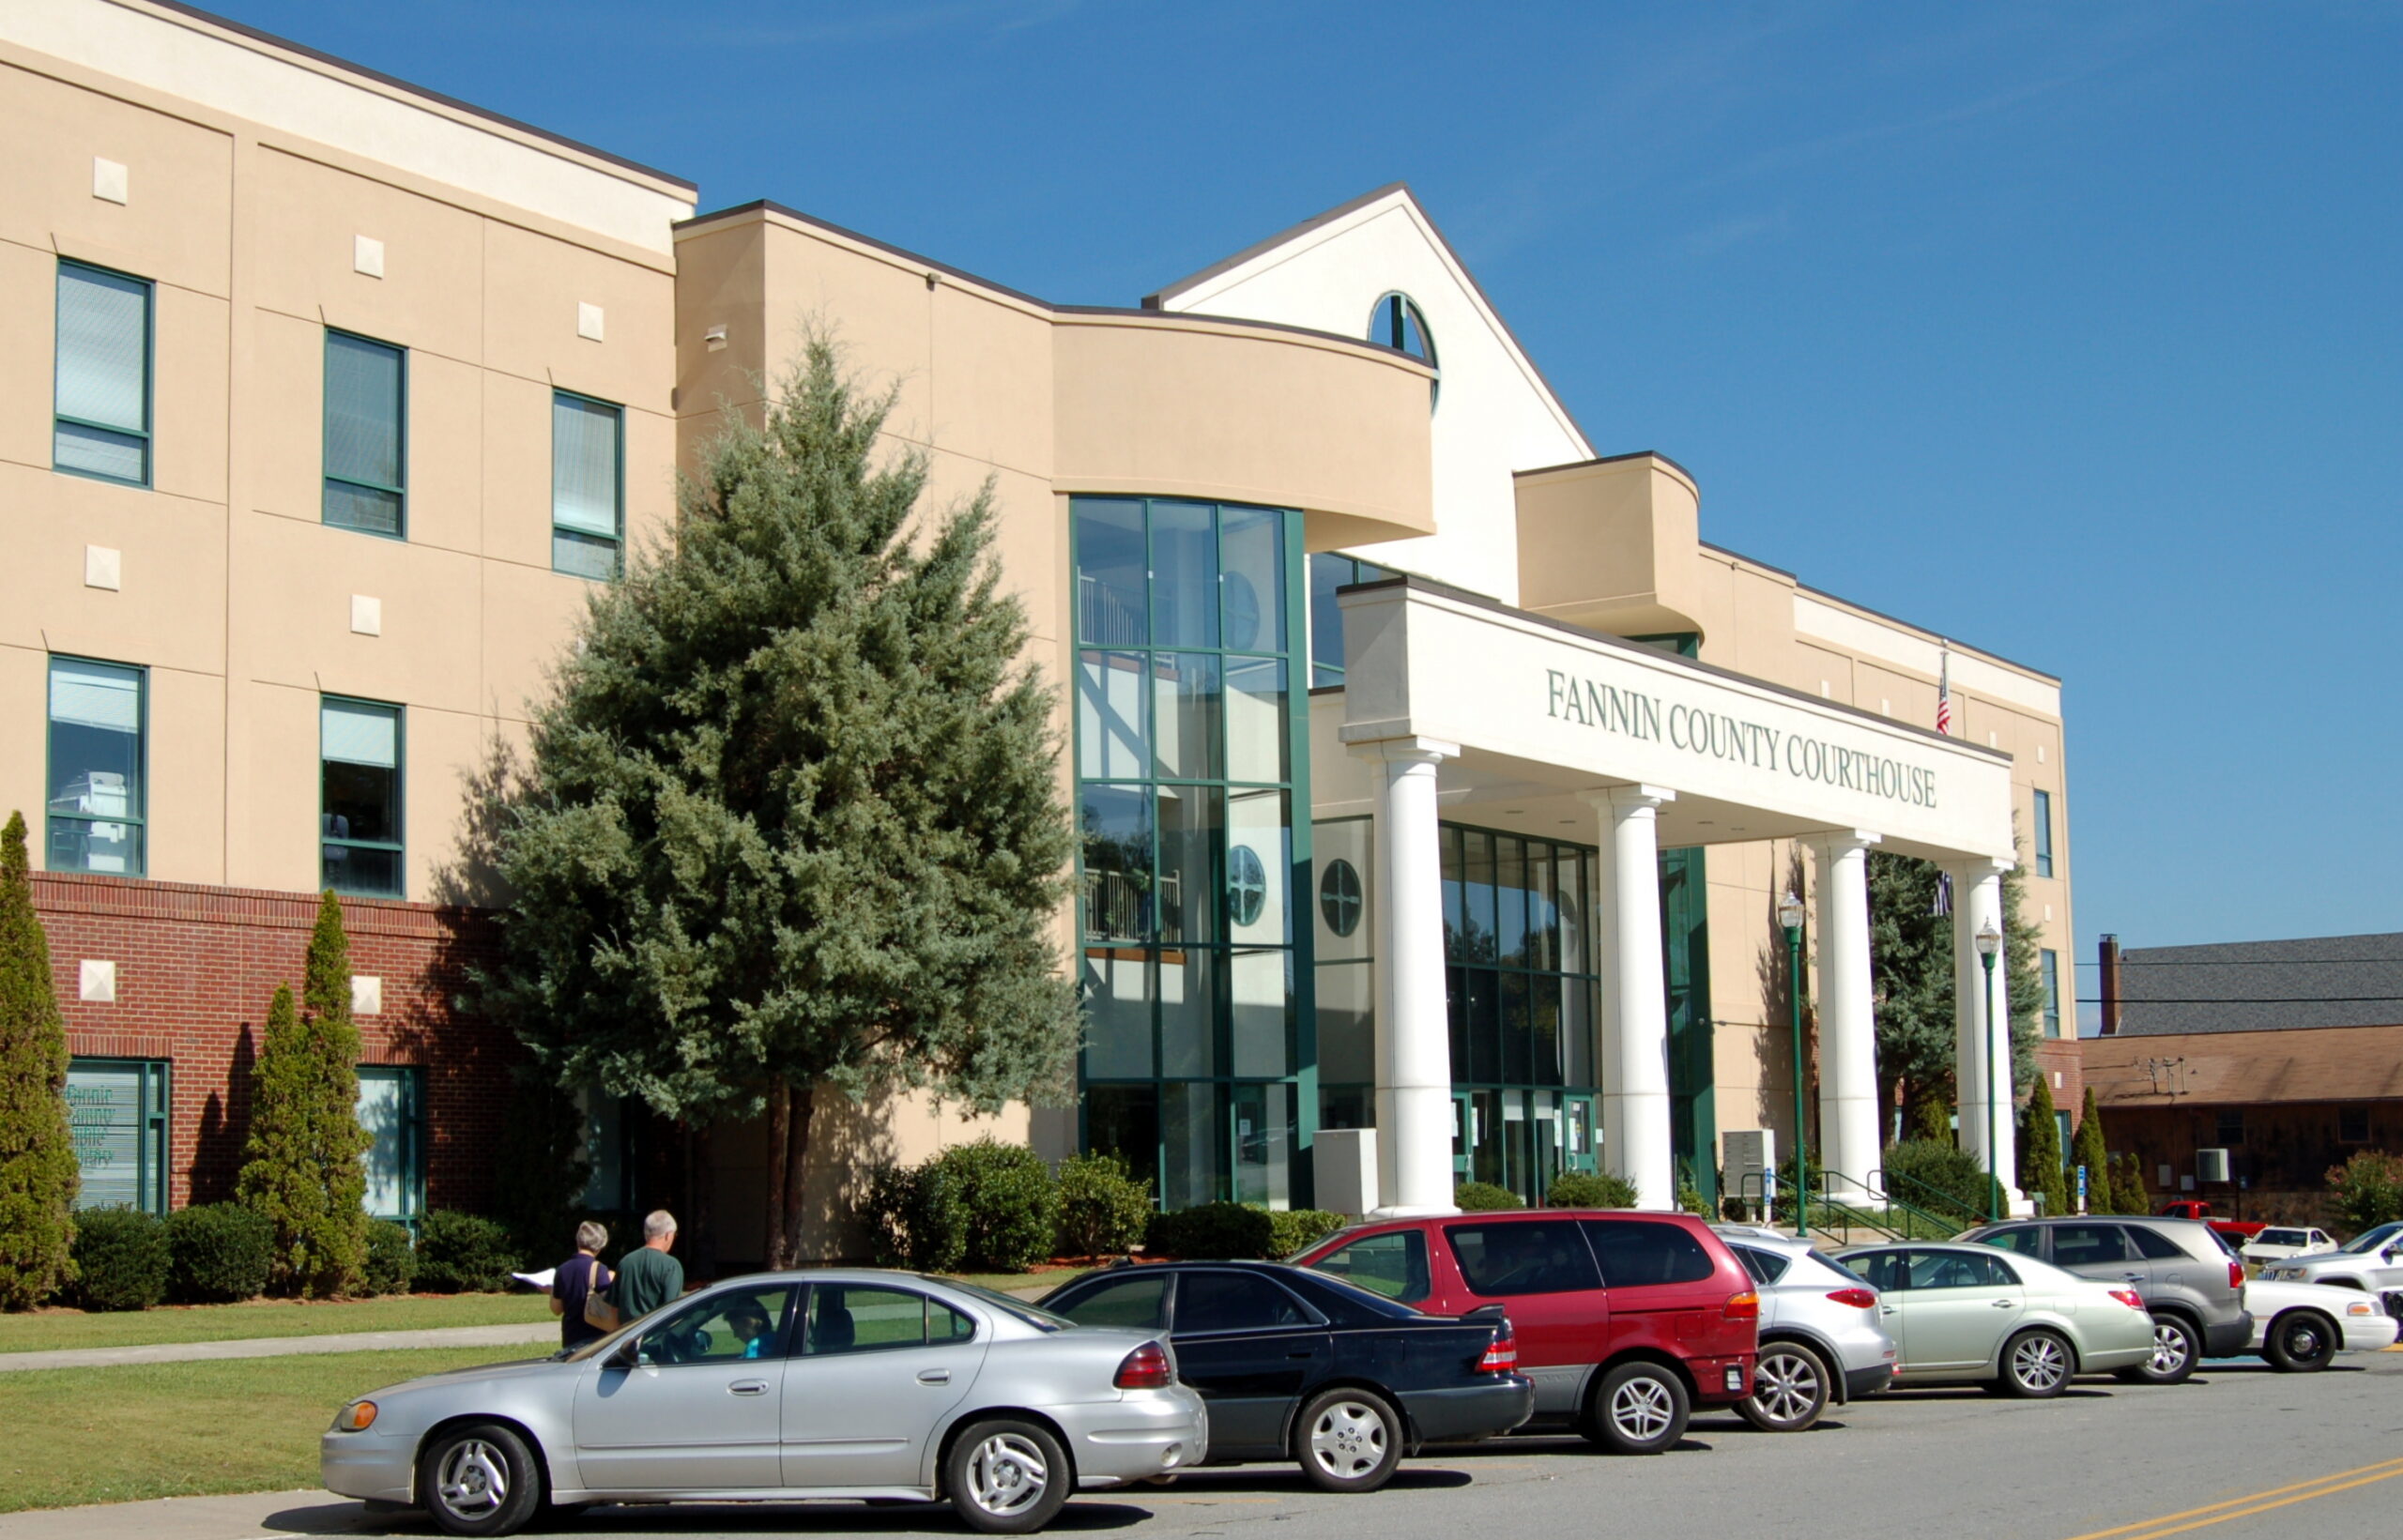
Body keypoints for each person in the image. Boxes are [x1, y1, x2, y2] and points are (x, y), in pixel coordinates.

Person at [605, 1210, 684, 1325]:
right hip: (655, 1336)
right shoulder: (671, 1266)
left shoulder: (626, 1262)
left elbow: (613, 1308)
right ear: (668, 1235)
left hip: (626, 1336)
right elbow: (672, 1311)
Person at [549, 1221, 612, 1351]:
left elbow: (556, 1309)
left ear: (578, 1240)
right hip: (594, 1338)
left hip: (570, 1338)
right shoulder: (599, 1270)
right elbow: (609, 1306)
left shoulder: (562, 1269)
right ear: (601, 1245)